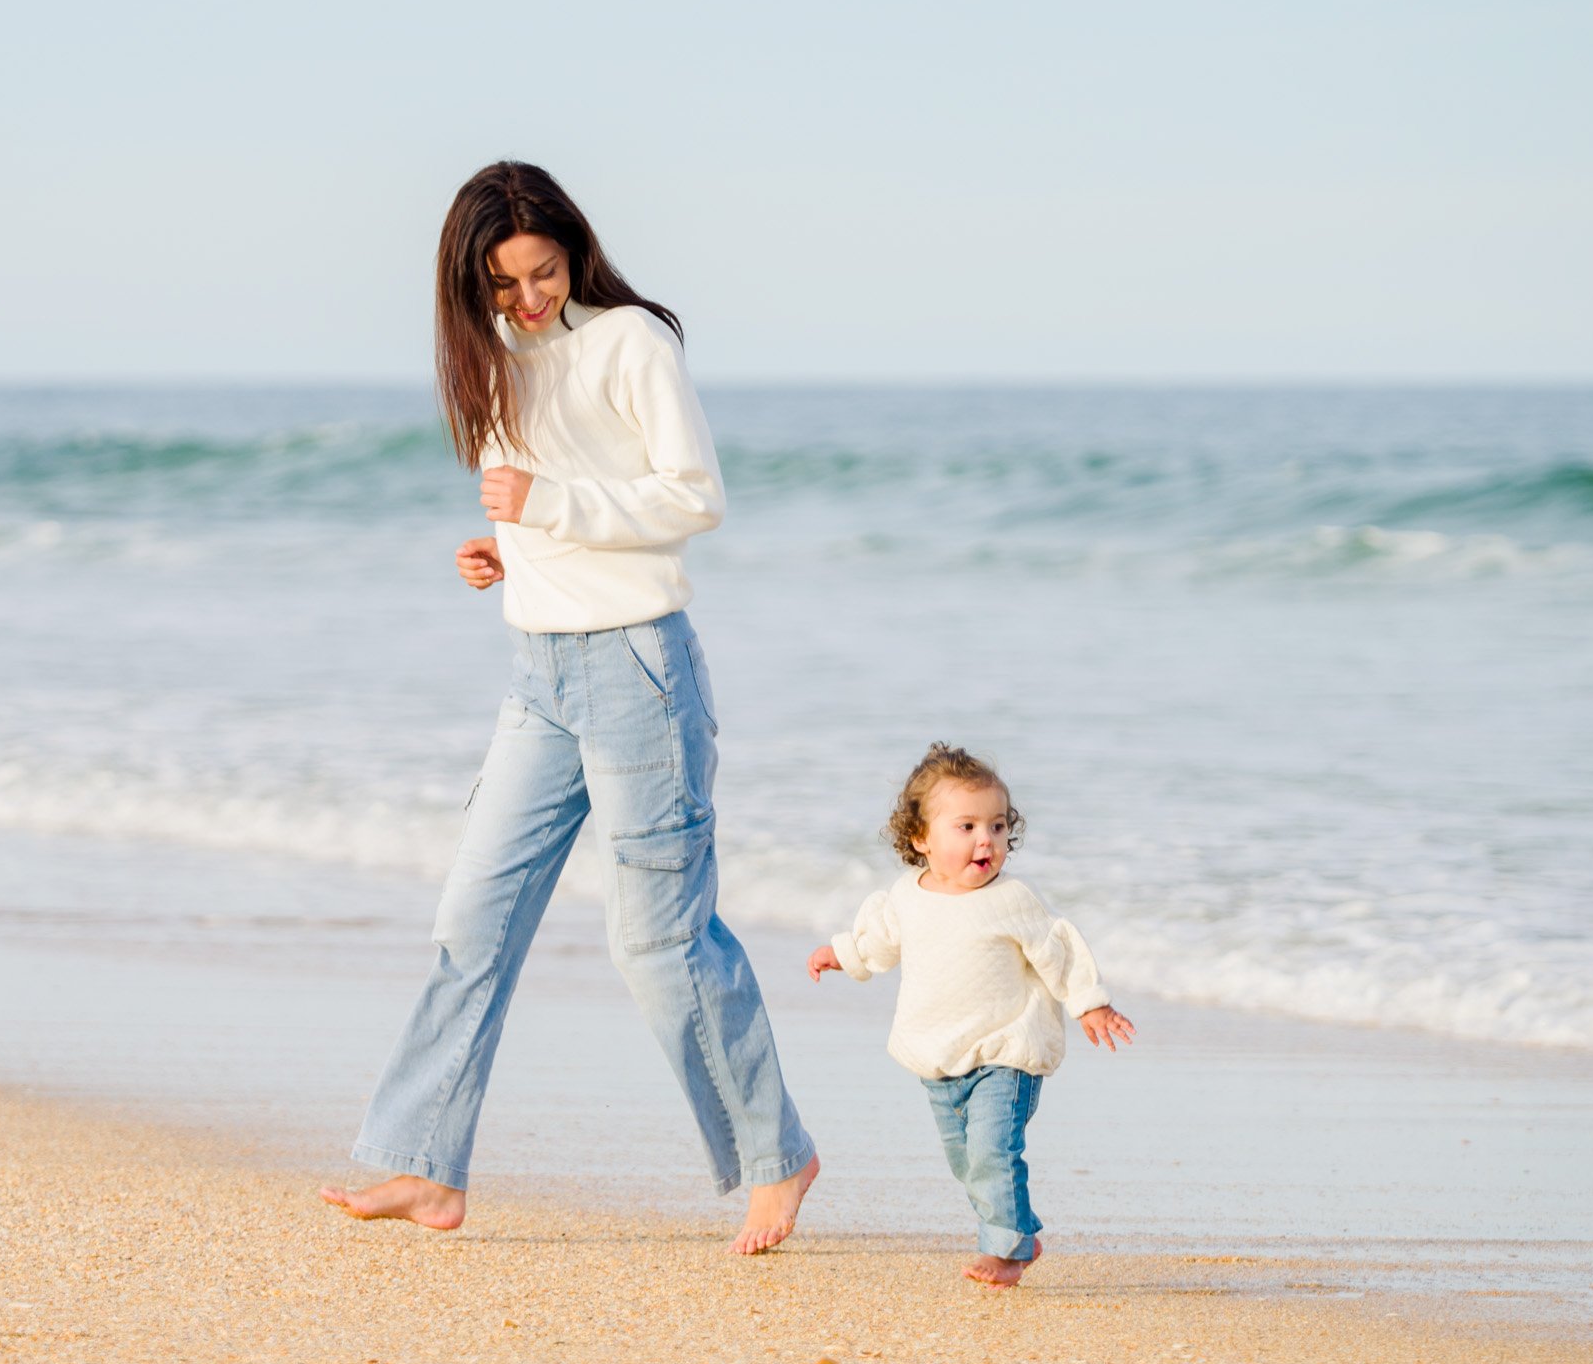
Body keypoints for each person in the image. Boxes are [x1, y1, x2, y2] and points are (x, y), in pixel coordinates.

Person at [320, 161, 818, 1255]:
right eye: (502, 285)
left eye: (541, 273)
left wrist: (551, 506)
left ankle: (778, 1156)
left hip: (638, 670)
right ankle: (426, 1166)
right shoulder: (498, 364)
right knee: (472, 917)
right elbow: (562, 509)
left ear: (572, 251)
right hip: (537, 675)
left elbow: (694, 499)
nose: (528, 299)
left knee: (658, 941)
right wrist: (510, 551)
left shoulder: (631, 341)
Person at [807, 742, 1133, 1287]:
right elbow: (878, 943)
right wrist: (841, 955)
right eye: (967, 827)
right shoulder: (906, 897)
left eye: (999, 827)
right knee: (968, 1165)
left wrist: (1089, 1002)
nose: (988, 839)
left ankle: (1006, 1252)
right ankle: (1018, 1229)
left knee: (991, 1153)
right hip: (939, 1059)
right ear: (920, 839)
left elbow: (1058, 949)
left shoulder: (1012, 899)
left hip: (1006, 1054)